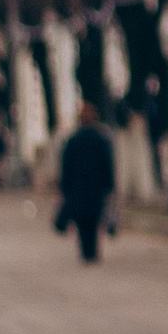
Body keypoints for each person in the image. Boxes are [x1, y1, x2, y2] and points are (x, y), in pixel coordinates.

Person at [55, 110, 117, 264]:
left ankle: (86, 252)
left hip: (77, 189)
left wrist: (64, 187)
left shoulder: (72, 140)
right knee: (94, 220)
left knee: (82, 221)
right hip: (96, 188)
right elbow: (107, 165)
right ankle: (93, 251)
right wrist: (109, 185)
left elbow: (66, 167)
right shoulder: (101, 140)